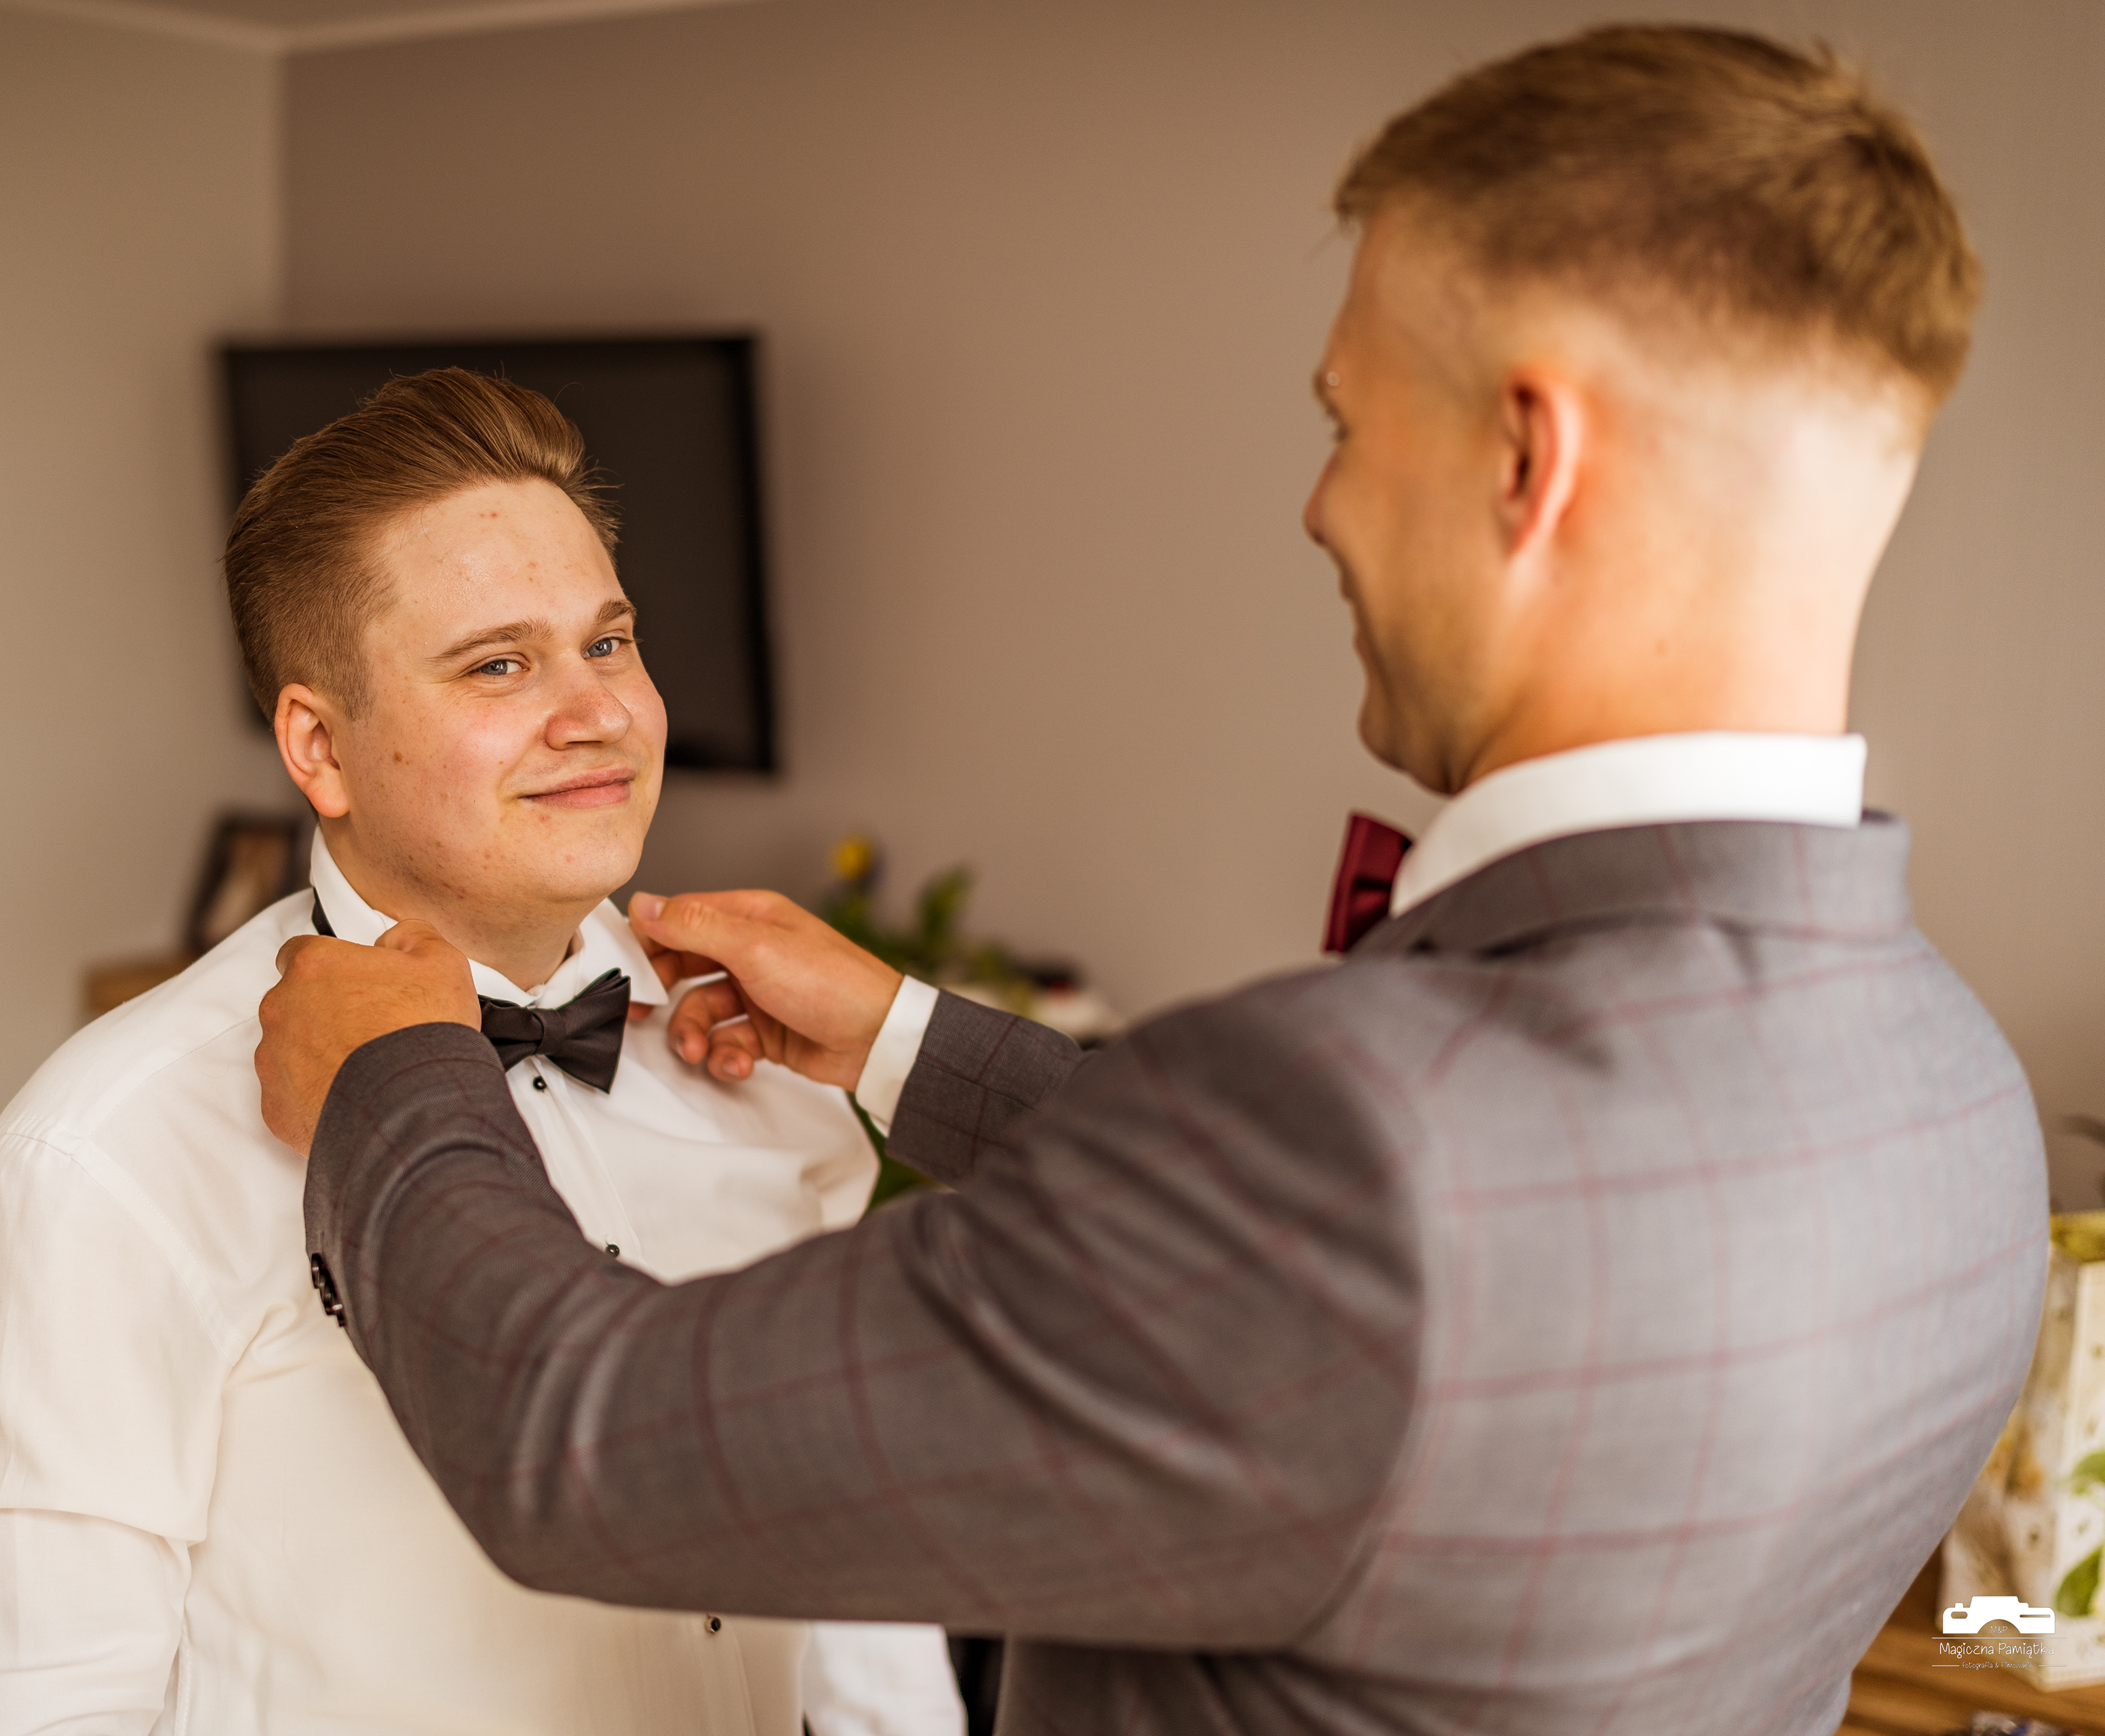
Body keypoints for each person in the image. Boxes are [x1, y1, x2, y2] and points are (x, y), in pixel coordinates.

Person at [252, 27, 2052, 1736]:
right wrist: (906, 1037)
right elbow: (1371, 1300)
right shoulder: (1956, 1100)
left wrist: (398, 1079)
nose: (1321, 508)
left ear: (1527, 457)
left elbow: (585, 1442)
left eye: (1347, 424)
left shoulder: (1361, 1149)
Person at [0, 369, 964, 1735]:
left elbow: (850, 1552)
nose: (599, 712)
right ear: (320, 747)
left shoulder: (765, 1059)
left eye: (609, 641)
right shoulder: (100, 1163)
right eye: (498, 664)